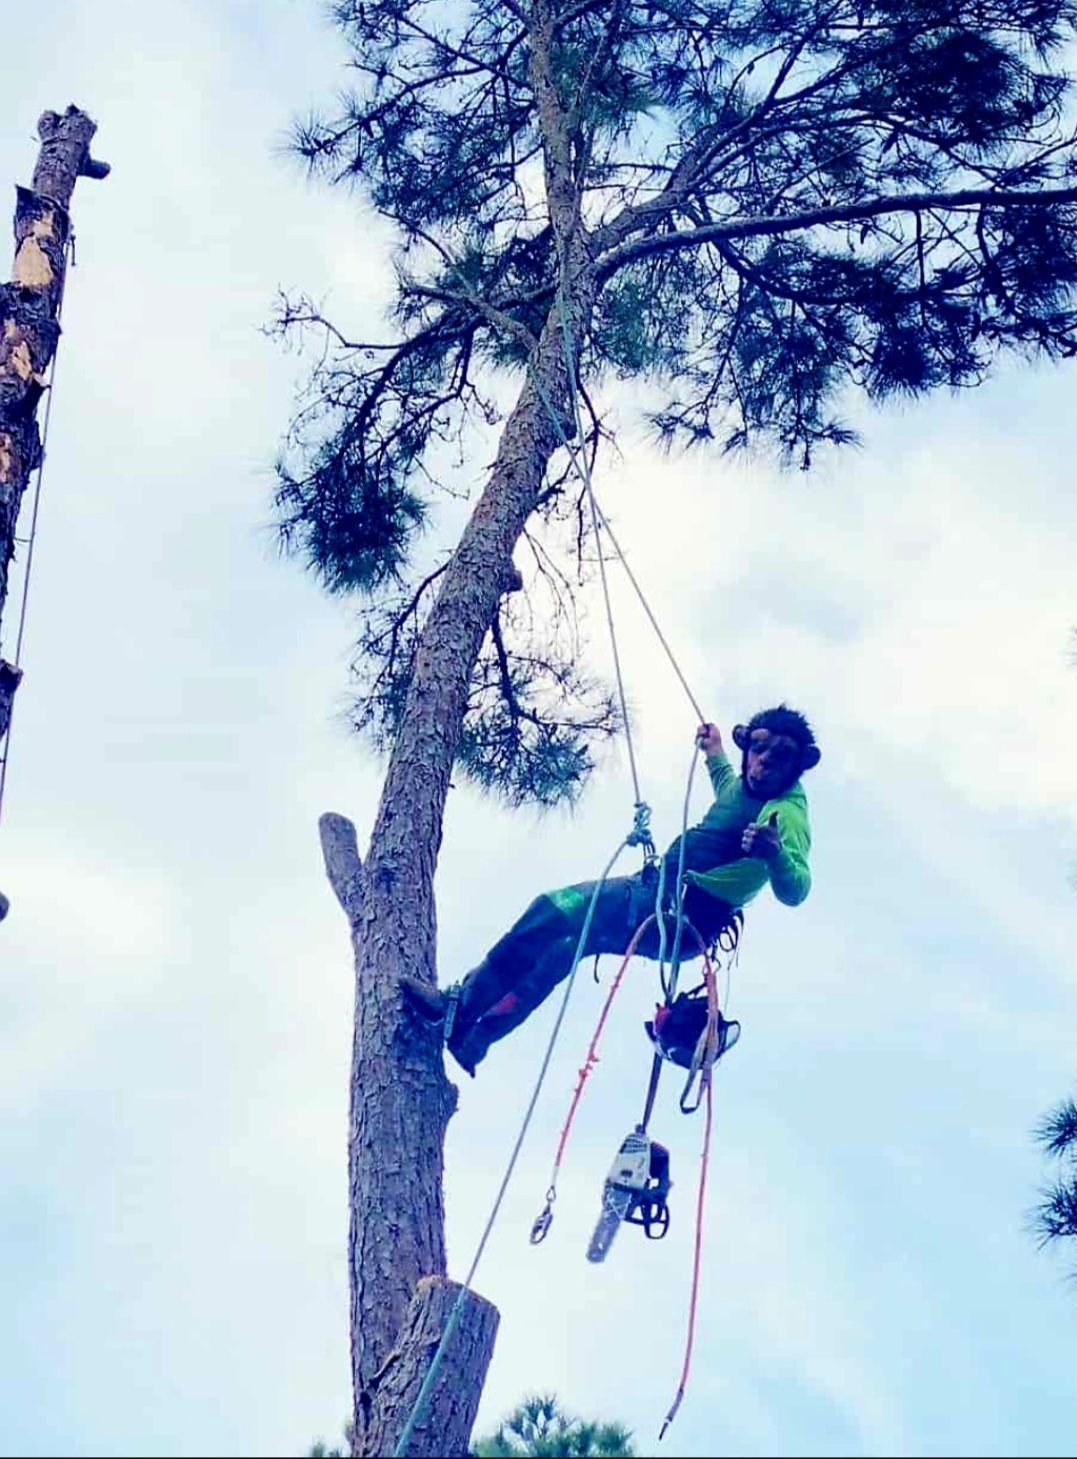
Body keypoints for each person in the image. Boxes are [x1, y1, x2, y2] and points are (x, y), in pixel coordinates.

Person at [403, 705, 821, 1074]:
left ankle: (457, 1007)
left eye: (779, 756)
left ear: (797, 767)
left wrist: (774, 853)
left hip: (673, 912)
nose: (764, 762)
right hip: (662, 899)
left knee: (555, 909)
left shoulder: (785, 813)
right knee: (564, 947)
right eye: (758, 748)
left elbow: (797, 889)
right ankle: (476, 1040)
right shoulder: (747, 784)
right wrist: (715, 754)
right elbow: (731, 790)